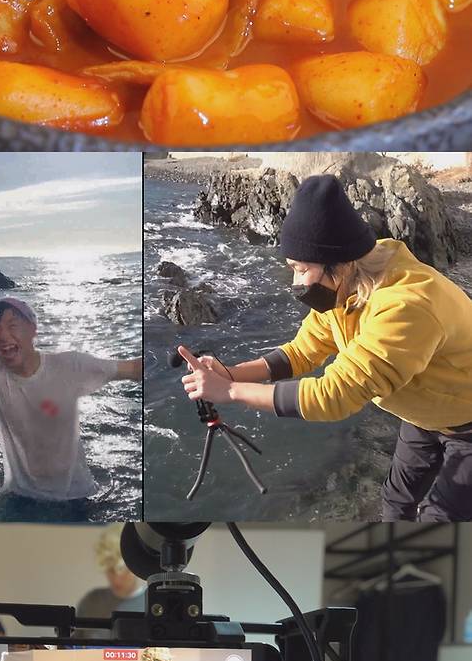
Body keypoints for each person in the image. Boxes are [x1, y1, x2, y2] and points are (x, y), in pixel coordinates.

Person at [180, 175, 472, 523]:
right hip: (424, 415)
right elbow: (302, 351)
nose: (295, 283)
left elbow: (334, 396)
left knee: (440, 518)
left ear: (342, 264)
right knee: (395, 503)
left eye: (301, 270)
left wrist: (230, 391)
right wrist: (232, 372)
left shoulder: (406, 307)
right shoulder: (346, 289)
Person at [0, 254, 142, 520]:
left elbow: (132, 369)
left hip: (76, 499)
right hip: (18, 499)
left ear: (33, 330)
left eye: (13, 326)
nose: (3, 336)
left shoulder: (70, 366)